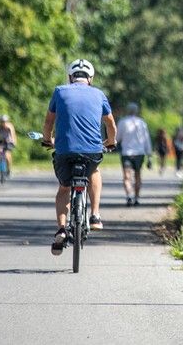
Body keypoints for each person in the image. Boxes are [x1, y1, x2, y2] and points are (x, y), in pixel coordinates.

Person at [42, 59, 117, 254]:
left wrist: (47, 139)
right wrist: (111, 141)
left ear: (70, 77)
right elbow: (110, 124)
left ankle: (61, 229)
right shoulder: (99, 94)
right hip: (92, 151)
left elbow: (49, 121)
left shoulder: (59, 91)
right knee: (94, 170)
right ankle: (95, 215)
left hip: (64, 150)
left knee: (64, 188)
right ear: (90, 78)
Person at [116, 102, 152, 206]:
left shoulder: (122, 122)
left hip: (126, 153)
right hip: (139, 153)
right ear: (136, 111)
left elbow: (118, 138)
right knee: (138, 175)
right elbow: (146, 139)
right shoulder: (142, 123)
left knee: (127, 176)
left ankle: (129, 196)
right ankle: (136, 198)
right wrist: (149, 154)